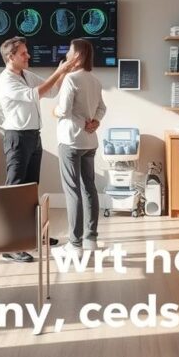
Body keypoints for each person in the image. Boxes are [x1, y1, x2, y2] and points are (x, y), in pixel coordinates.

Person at [0, 36, 79, 262]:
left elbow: (51, 91)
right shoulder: (6, 80)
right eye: (23, 53)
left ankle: (34, 236)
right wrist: (59, 70)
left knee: (31, 191)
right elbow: (37, 93)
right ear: (11, 56)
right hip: (17, 138)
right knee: (14, 192)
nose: (28, 56)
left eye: (27, 52)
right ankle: (10, 245)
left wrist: (65, 70)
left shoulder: (26, 75)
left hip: (33, 137)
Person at [53, 39, 106, 252]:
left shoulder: (70, 79)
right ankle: (90, 239)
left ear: (77, 56)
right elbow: (102, 108)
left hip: (70, 141)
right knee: (89, 189)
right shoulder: (94, 80)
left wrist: (54, 111)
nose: (66, 54)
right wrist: (96, 122)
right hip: (89, 142)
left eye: (69, 51)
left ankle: (74, 243)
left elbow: (64, 111)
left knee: (72, 190)